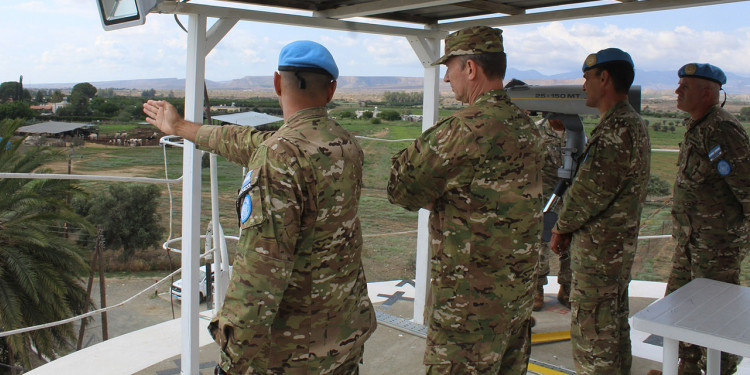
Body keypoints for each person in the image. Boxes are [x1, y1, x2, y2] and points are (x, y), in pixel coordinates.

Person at [143, 40, 376, 375]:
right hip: (344, 338)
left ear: (278, 83)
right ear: (332, 90)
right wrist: (180, 128)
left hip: (291, 355)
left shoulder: (280, 156)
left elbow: (259, 275)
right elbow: (250, 142)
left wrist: (232, 361)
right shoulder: (345, 143)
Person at [387, 26, 544, 374]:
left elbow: (400, 187)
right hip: (515, 301)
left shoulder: (463, 130)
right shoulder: (527, 127)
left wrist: (440, 197)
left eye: (450, 67)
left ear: (470, 68)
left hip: (468, 311)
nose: (445, 79)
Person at [549, 48, 650, 375]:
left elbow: (589, 193)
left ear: (604, 78)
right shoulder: (631, 124)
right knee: (613, 327)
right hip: (614, 250)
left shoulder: (615, 131)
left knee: (594, 333)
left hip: (600, 253)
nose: (583, 87)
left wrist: (560, 227)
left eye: (587, 78)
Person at [660, 63, 750, 375]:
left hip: (717, 248)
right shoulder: (698, 126)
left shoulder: (721, 129)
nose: (676, 91)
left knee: (716, 317)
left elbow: (747, 187)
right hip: (690, 243)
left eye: (685, 87)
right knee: (678, 307)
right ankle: (688, 366)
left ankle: (722, 371)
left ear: (708, 93)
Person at [534, 118, 572, 311]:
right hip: (544, 195)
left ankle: (566, 288)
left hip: (569, 194)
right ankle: (537, 288)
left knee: (570, 241)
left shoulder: (575, 129)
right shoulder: (537, 130)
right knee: (541, 243)